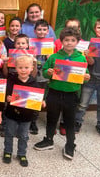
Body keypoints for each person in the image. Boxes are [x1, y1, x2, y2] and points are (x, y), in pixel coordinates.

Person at [34, 28, 90, 160]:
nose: (69, 43)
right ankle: (48, 139)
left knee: (69, 120)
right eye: (66, 40)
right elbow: (46, 70)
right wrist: (48, 71)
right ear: (61, 41)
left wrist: (87, 77)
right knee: (51, 117)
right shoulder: (54, 56)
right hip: (54, 92)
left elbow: (85, 75)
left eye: (73, 40)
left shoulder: (81, 58)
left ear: (77, 42)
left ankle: (70, 144)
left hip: (71, 94)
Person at [3, 55, 43, 167]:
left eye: (26, 67)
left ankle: (21, 153)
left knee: (24, 136)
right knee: (9, 133)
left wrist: (42, 102)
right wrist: (7, 98)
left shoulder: (34, 83)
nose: (23, 70)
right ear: (16, 68)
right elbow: (6, 93)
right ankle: (8, 151)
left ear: (31, 68)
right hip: (12, 113)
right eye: (20, 67)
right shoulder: (11, 81)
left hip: (27, 116)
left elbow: (38, 97)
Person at [75, 18, 100, 138]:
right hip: (90, 78)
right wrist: (88, 56)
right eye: (99, 27)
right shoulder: (90, 44)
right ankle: (77, 122)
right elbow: (91, 63)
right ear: (95, 29)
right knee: (82, 103)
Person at [29, 19, 52, 135]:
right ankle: (26, 119)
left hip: (43, 77)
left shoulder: (50, 44)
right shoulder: (30, 42)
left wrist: (50, 58)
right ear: (35, 31)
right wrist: (30, 55)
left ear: (48, 31)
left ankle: (33, 121)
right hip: (31, 74)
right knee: (30, 96)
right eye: (39, 29)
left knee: (38, 99)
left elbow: (54, 63)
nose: (41, 31)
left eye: (44, 29)